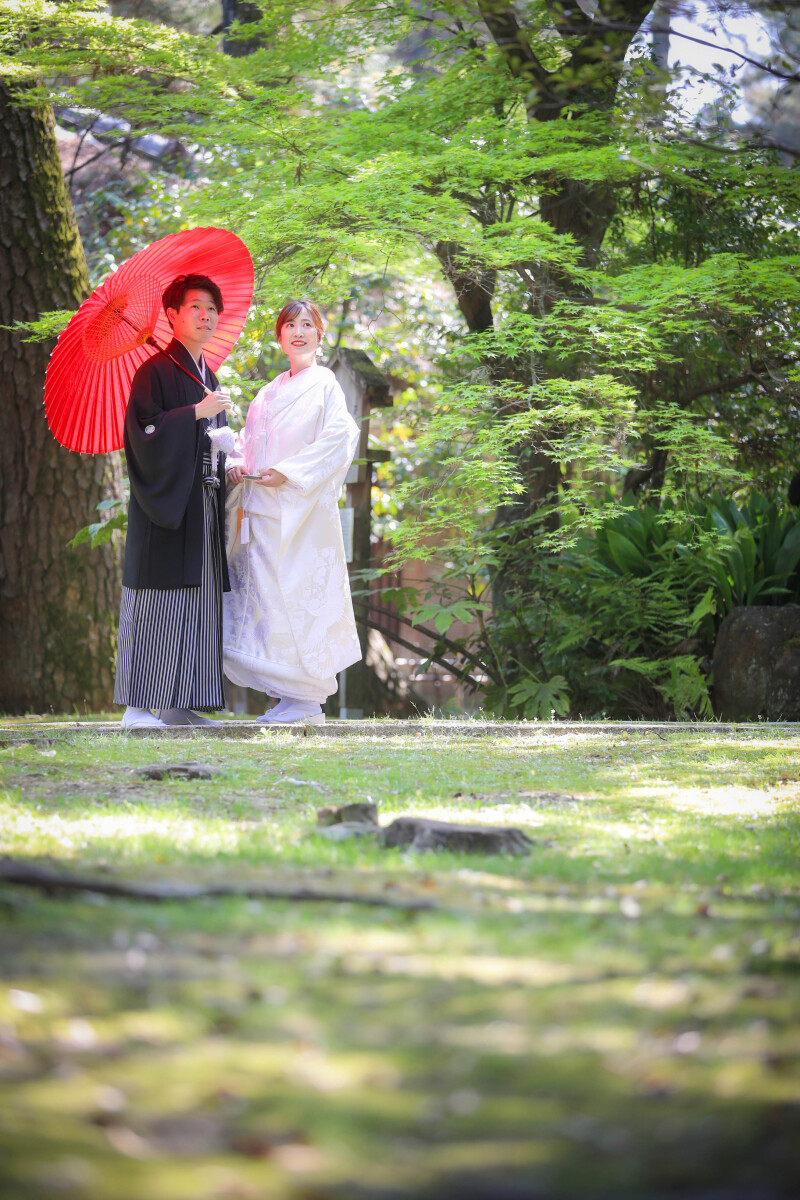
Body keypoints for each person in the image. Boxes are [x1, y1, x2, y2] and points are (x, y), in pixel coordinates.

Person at [223, 300, 362, 724]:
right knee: (263, 600)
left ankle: (306, 700)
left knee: (296, 597)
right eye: (289, 325)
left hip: (300, 513)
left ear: (320, 335)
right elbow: (248, 442)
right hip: (260, 512)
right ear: (279, 335)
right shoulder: (267, 393)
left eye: (307, 325)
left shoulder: (325, 385)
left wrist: (288, 471)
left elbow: (340, 437)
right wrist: (235, 465)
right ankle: (286, 697)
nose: (298, 332)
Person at [114, 274, 234, 729]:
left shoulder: (207, 374)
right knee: (157, 600)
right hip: (164, 505)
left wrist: (228, 455)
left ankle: (180, 705)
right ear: (171, 315)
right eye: (195, 307)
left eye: (211, 309)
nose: (206, 316)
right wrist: (192, 414)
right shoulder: (154, 372)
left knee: (199, 600)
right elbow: (142, 436)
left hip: (201, 503)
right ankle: (138, 706)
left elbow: (211, 441)